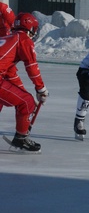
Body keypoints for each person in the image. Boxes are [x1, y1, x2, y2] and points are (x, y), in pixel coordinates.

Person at [0, 12, 49, 152]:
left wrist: (22, 90)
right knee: (26, 102)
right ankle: (21, 138)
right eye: (34, 29)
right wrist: (41, 89)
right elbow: (32, 67)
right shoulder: (22, 39)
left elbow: (9, 73)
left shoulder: (7, 37)